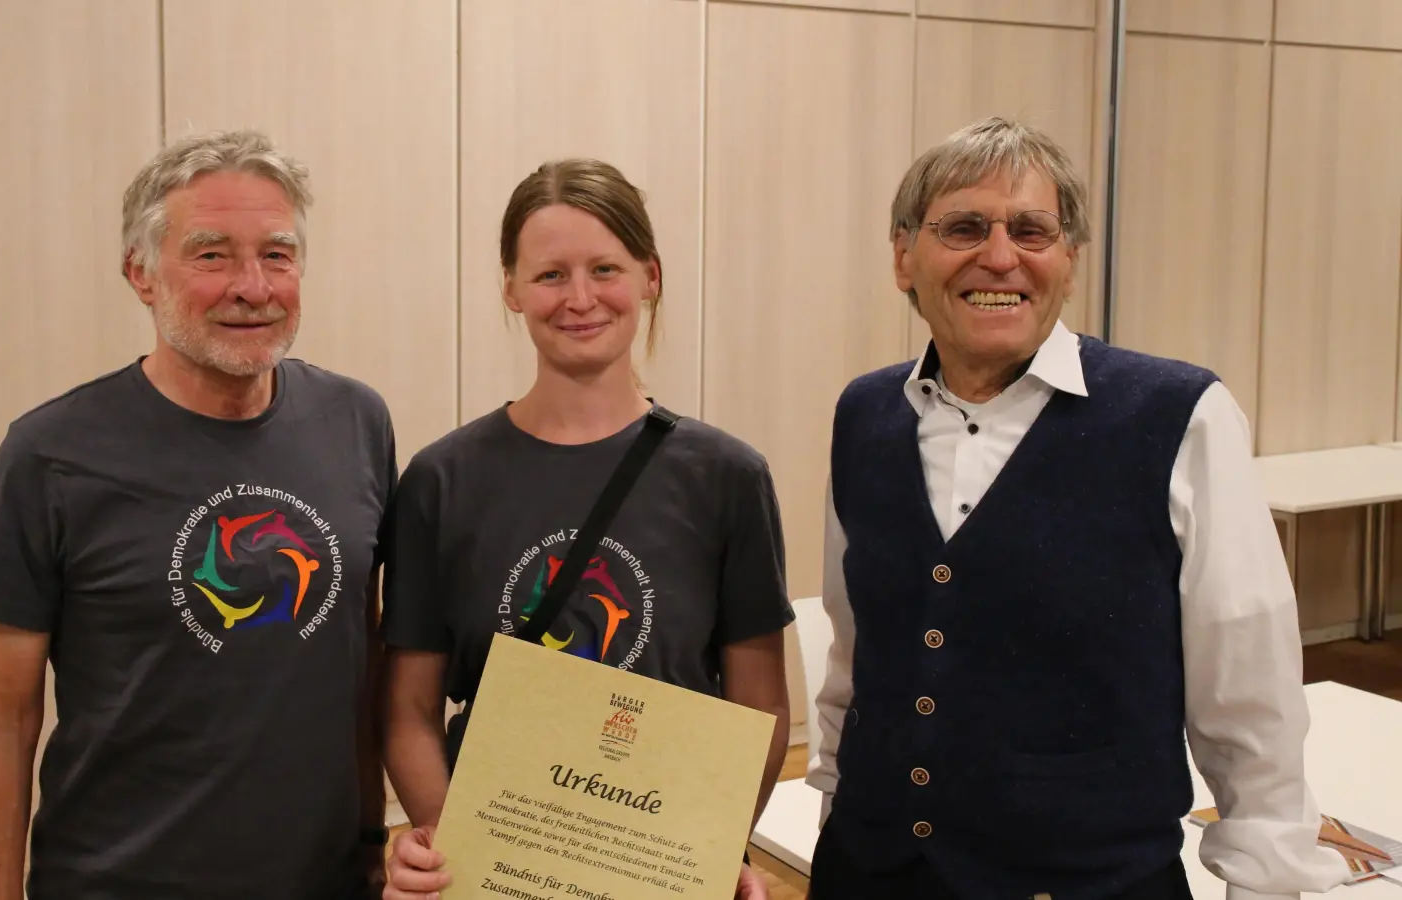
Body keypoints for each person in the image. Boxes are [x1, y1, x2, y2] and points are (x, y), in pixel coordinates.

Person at [806, 116, 1353, 900]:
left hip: (1090, 883)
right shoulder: (863, 414)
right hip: (870, 873)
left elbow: (1250, 696)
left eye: (1032, 230)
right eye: (963, 228)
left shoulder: (1180, 416)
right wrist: (834, 816)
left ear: (1069, 260)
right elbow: (856, 657)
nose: (1001, 256)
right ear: (903, 258)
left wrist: (1266, 880)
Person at [0, 129, 394, 899]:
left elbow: (364, 662)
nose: (252, 286)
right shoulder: (51, 454)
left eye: (277, 255)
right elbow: (0, 717)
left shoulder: (355, 421)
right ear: (142, 273)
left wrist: (371, 839)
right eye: (211, 255)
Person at [378, 158, 792, 900]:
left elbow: (759, 705)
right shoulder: (441, 481)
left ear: (650, 276)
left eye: (605, 268)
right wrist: (455, 853)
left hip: (657, 870)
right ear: (511, 288)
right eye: (550, 275)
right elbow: (409, 709)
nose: (579, 299)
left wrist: (708, 852)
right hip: (496, 871)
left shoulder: (727, 477)